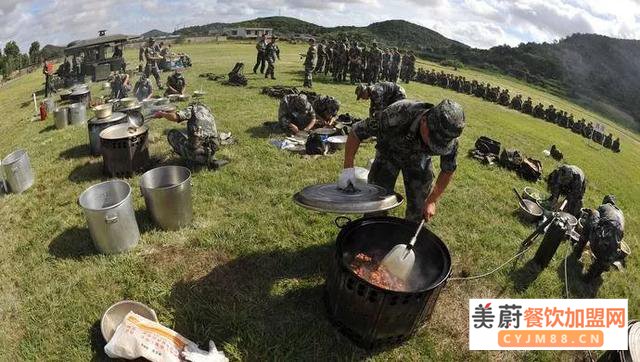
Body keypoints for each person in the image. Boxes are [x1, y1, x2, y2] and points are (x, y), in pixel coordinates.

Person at [339, 99, 466, 222]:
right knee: (375, 202)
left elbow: (448, 170)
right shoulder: (396, 115)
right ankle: (373, 230)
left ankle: (409, 236)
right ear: (424, 121)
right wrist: (348, 169)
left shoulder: (449, 138)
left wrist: (432, 200)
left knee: (419, 208)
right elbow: (356, 132)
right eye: (433, 140)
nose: (434, 146)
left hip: (419, 159)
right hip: (388, 152)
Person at [156, 103, 224, 168]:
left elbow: (175, 117)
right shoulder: (209, 113)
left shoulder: (193, 109)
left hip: (197, 151)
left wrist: (162, 114)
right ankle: (210, 158)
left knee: (172, 134)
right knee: (195, 135)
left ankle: (193, 159)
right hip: (212, 149)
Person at [574, 195, 626, 280]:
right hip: (611, 255)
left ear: (605, 201)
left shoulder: (604, 206)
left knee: (594, 213)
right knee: (610, 242)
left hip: (598, 244)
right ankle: (593, 274)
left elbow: (595, 218)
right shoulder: (621, 213)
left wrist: (590, 213)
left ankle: (578, 251)